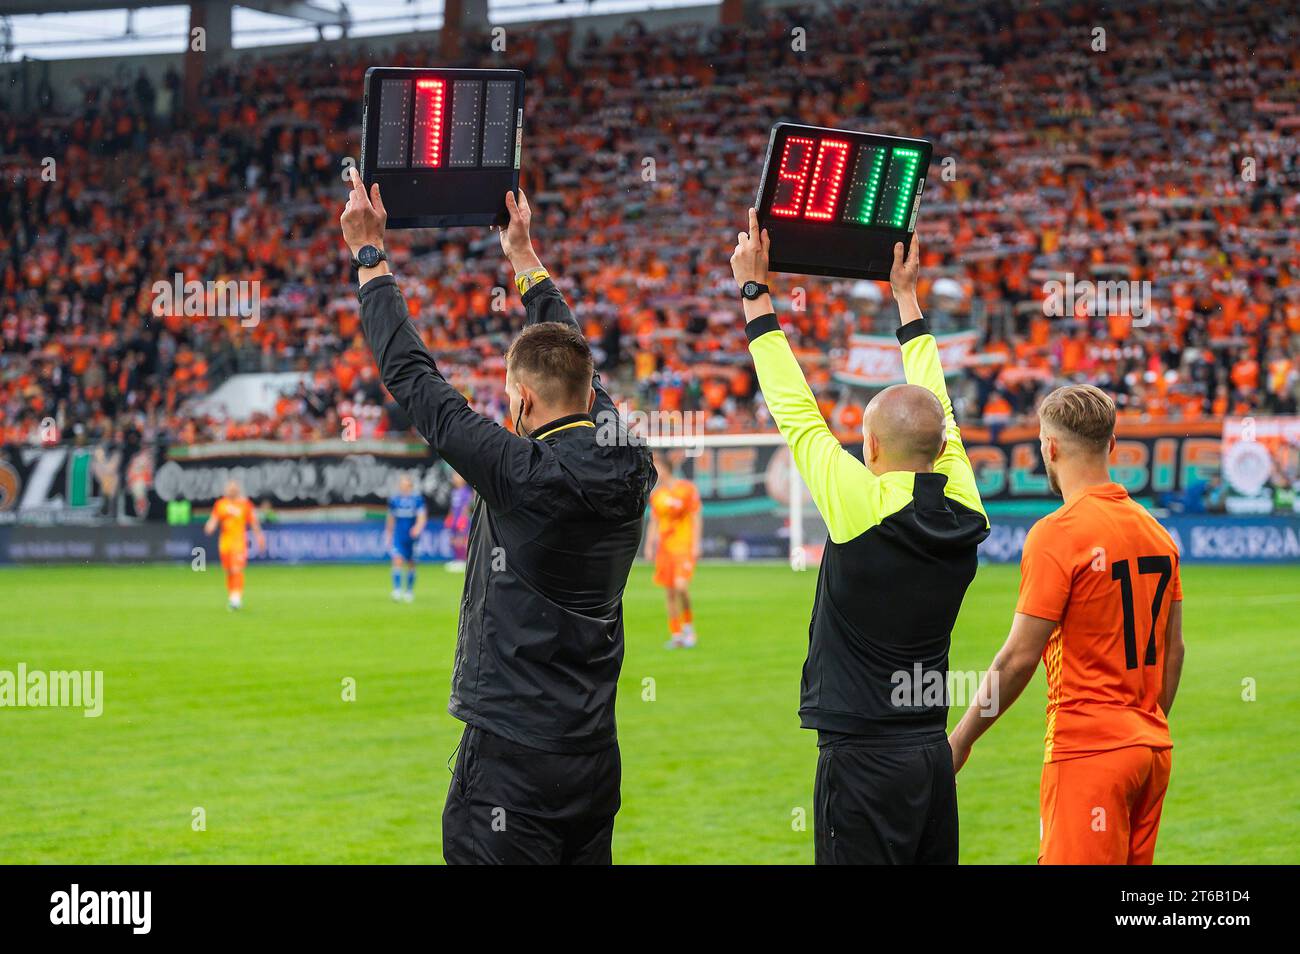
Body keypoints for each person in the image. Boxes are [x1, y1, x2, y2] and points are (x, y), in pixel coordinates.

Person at [340, 169, 655, 865]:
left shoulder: (522, 474)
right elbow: (574, 366)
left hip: (514, 761)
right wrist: (523, 259)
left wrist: (371, 259)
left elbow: (415, 383)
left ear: (520, 404)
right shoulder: (631, 460)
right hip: (593, 754)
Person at [731, 211, 989, 864]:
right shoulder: (965, 508)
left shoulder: (860, 506)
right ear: (938, 451)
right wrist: (907, 299)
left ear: (870, 444)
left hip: (861, 755)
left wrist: (755, 293)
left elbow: (796, 412)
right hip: (929, 751)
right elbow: (941, 413)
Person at [947, 384, 1185, 865]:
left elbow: (1018, 658)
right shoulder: (1157, 533)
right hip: (1151, 750)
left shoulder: (1058, 534)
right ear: (1112, 446)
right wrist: (1141, 724)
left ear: (1049, 448)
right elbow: (1173, 650)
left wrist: (960, 741)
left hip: (1089, 752)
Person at [645, 452, 702, 648]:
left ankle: (688, 627)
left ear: (667, 469)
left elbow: (695, 516)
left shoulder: (686, 489)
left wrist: (696, 544)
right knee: (669, 592)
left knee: (681, 587)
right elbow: (654, 521)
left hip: (683, 546)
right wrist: (649, 545)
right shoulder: (657, 495)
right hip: (665, 549)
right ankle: (676, 634)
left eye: (658, 468)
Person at [204, 479, 265, 611]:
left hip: (239, 543)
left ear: (237, 490)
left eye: (233, 488)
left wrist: (259, 537)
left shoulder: (245, 505)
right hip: (224, 544)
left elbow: (254, 522)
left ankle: (236, 599)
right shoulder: (221, 504)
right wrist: (210, 526)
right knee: (229, 571)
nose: (231, 491)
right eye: (229, 488)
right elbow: (214, 519)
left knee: (237, 569)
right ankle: (232, 596)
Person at [383, 474, 427, 602]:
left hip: (412, 537)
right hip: (399, 535)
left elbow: (422, 517)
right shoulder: (395, 501)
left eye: (406, 485)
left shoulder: (417, 500)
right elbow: (391, 518)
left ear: (411, 486)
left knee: (412, 563)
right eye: (402, 485)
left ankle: (409, 591)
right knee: (397, 559)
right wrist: (389, 533)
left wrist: (417, 528)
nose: (404, 487)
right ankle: (397, 590)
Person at [443, 471, 473, 572]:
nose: (455, 479)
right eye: (454, 477)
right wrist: (449, 517)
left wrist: (463, 518)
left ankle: (463, 560)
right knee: (453, 539)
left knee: (461, 539)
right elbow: (452, 507)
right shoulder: (454, 491)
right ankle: (456, 559)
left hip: (462, 519)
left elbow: (466, 507)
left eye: (458, 477)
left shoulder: (466, 492)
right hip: (454, 519)